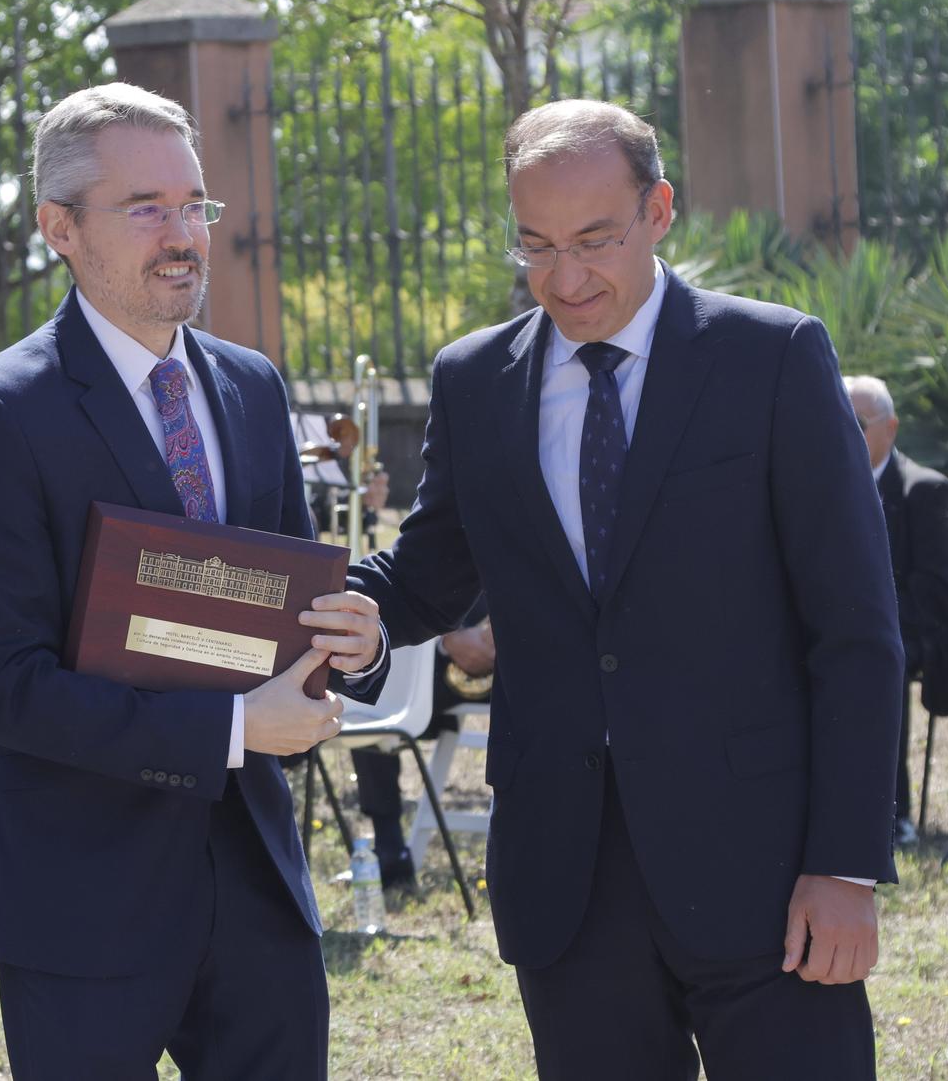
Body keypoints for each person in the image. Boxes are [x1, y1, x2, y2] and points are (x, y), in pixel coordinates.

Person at [349, 99, 905, 1080]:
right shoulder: (474, 380)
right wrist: (302, 606)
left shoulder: (770, 358)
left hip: (766, 872)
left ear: (658, 209)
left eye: (594, 240)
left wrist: (845, 865)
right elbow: (428, 575)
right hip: (567, 880)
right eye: (533, 246)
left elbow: (853, 630)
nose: (563, 278)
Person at [0, 83, 389, 1081]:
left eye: (193, 205)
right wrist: (231, 730)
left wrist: (347, 642)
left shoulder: (252, 388)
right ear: (59, 228)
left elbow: (286, 610)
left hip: (253, 877)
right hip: (77, 887)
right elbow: (4, 686)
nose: (181, 234)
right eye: (146, 207)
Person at [845, 374, 948, 848]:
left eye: (857, 422)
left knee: (876, 661)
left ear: (891, 427)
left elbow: (935, 590)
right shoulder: (822, 484)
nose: (846, 431)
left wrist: (865, 620)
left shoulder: (925, 489)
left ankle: (890, 812)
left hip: (916, 631)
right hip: (845, 626)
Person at [349, 596, 494, 888]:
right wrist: (447, 641)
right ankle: (389, 849)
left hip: (519, 674)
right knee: (371, 702)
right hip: (440, 659)